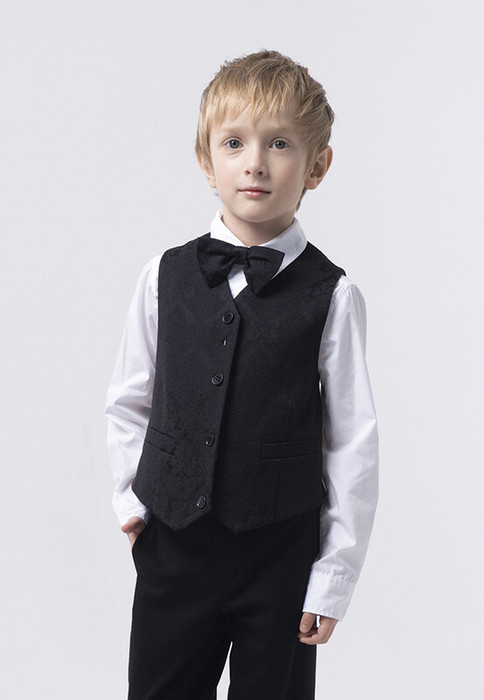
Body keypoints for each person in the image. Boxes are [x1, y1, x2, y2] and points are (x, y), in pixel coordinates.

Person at [104, 49, 379, 700]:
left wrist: (334, 575)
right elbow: (129, 397)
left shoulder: (333, 294)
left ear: (317, 166)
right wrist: (134, 503)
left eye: (279, 143)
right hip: (175, 547)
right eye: (234, 143)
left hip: (280, 557)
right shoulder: (163, 275)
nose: (255, 162)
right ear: (207, 161)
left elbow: (351, 442)